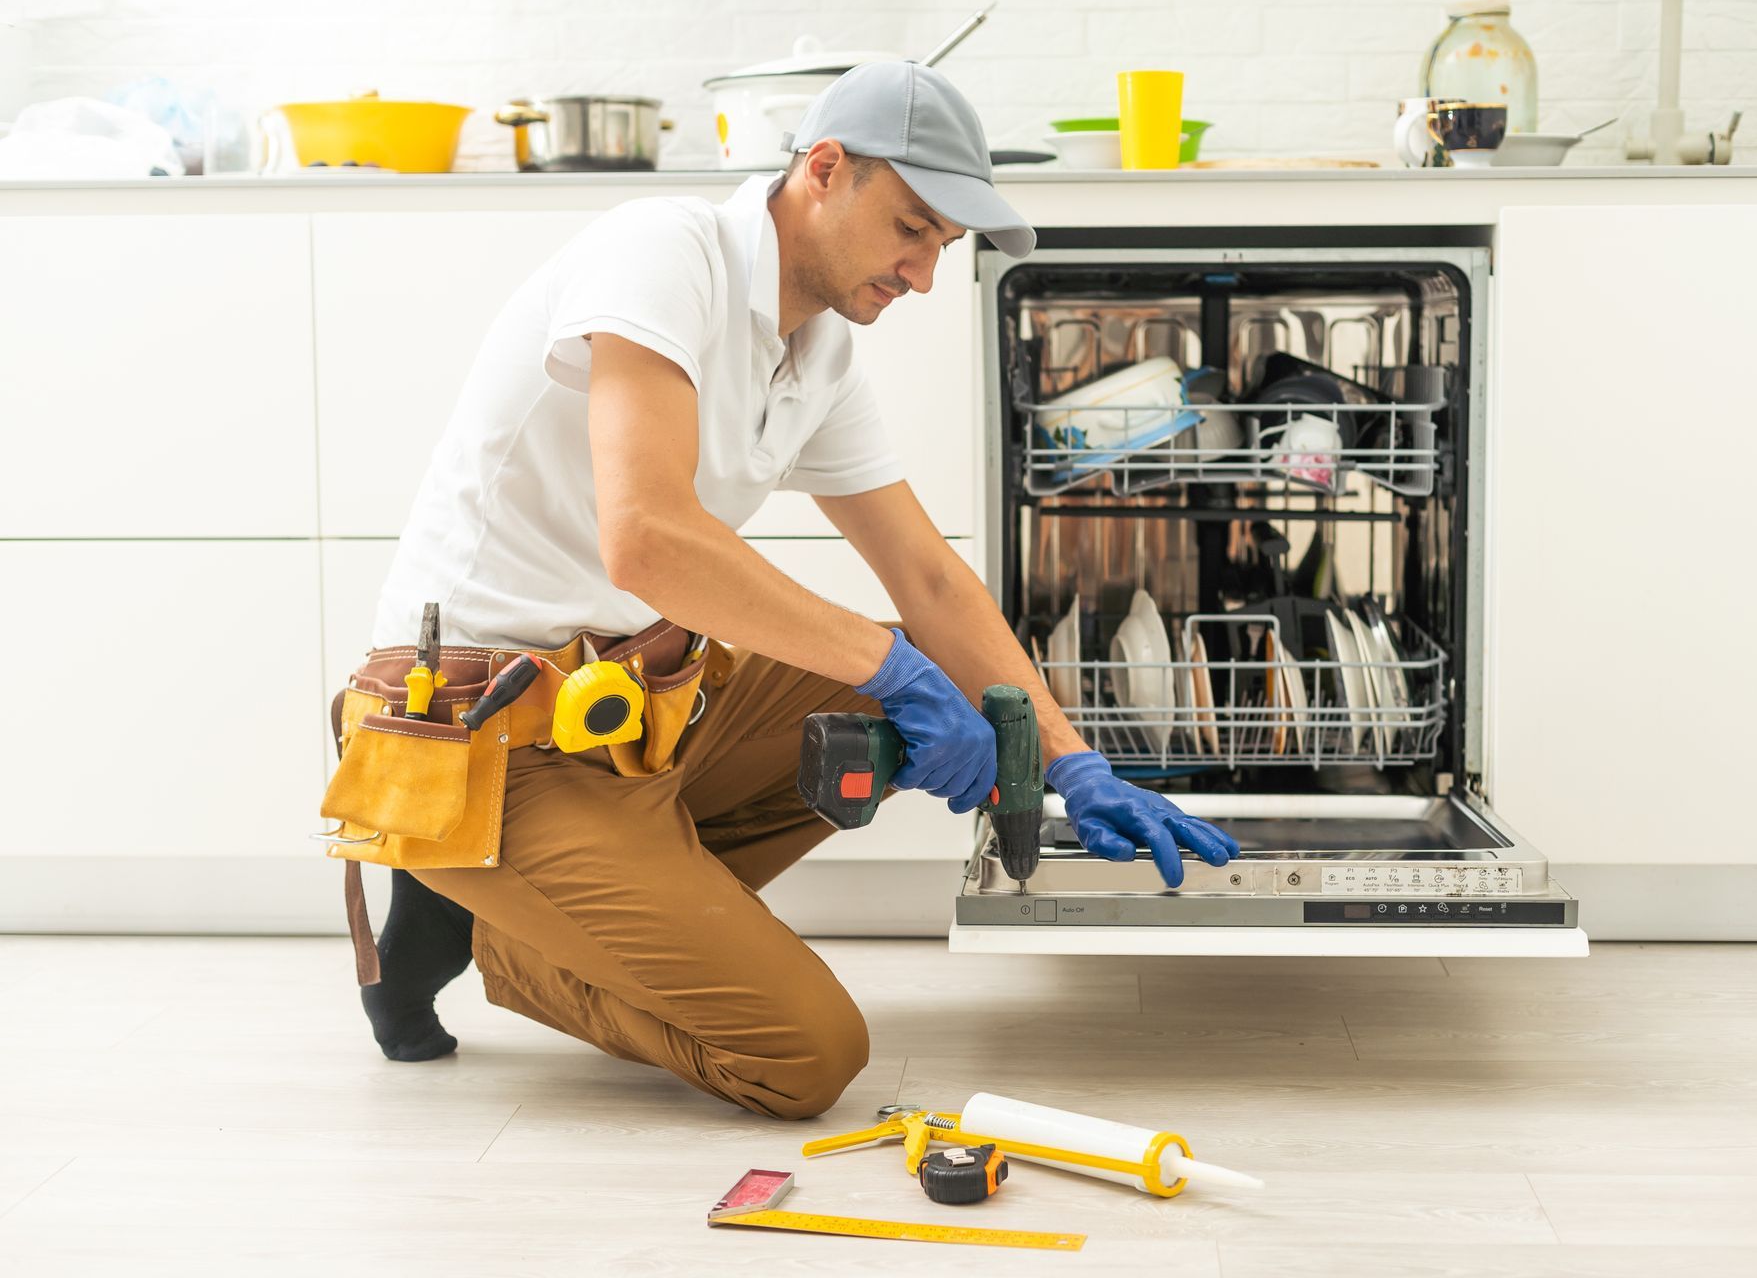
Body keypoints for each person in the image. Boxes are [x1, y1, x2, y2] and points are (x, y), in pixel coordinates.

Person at [346, 61, 1238, 1120]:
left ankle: (572, 899)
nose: (921, 276)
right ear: (825, 171)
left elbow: (929, 577)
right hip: (486, 731)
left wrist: (1065, 753)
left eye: (943, 248)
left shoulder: (815, 352)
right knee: (804, 1056)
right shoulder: (663, 254)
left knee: (926, 672)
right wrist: (894, 667)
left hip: (638, 710)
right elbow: (647, 540)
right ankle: (499, 929)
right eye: (912, 228)